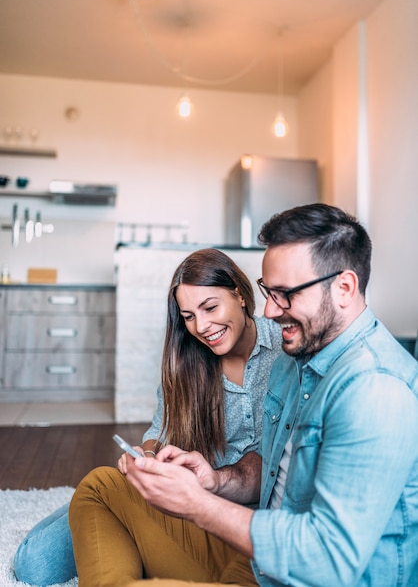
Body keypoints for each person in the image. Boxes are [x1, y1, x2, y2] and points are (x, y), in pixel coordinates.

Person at [69, 203, 418, 587]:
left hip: (294, 575)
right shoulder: (297, 358)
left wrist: (199, 506)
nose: (268, 310)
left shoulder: (375, 390)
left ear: (344, 288)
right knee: (100, 488)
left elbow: (328, 561)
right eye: (269, 291)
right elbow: (268, 467)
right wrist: (213, 482)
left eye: (285, 294)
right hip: (257, 557)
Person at [14, 248, 282, 586]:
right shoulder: (188, 360)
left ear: (240, 295)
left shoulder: (284, 352)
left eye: (210, 307)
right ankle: (119, 518)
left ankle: (122, 523)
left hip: (231, 518)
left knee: (100, 491)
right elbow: (161, 428)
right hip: (188, 501)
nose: (202, 326)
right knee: (35, 565)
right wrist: (149, 453)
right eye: (188, 316)